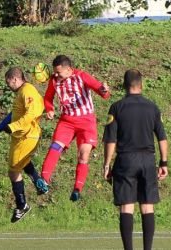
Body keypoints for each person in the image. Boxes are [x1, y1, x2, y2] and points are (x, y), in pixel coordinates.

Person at [102, 69, 168, 250]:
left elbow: (110, 140)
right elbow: (162, 138)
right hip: (147, 160)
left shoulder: (116, 107)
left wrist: (107, 165)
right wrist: (163, 163)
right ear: (142, 84)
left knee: (126, 206)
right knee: (147, 207)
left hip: (125, 160)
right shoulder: (152, 107)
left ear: (124, 86)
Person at [41, 55, 110, 201]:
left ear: (68, 69)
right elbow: (48, 97)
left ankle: (77, 189)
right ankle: (43, 180)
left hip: (86, 122)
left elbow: (102, 92)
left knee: (83, 155)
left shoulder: (81, 76)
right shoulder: (54, 80)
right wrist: (50, 109)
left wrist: (104, 90)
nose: (56, 75)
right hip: (66, 121)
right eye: (55, 72)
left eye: (59, 72)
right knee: (55, 147)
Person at [0, 67, 48, 223]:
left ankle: (22, 205)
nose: (7, 85)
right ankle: (39, 183)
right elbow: (14, 114)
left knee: (14, 170)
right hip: (20, 136)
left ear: (14, 79)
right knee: (21, 164)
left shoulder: (27, 90)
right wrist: (1, 127)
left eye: (8, 82)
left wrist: (13, 127)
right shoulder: (21, 93)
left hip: (27, 135)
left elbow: (32, 113)